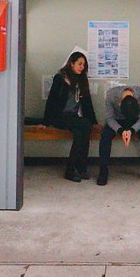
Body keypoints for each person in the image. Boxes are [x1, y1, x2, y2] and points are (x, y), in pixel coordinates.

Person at [43, 51, 97, 182]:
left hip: (72, 117)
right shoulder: (60, 78)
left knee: (82, 131)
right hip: (59, 116)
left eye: (84, 65)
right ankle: (75, 168)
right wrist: (46, 122)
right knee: (85, 125)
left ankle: (77, 168)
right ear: (71, 64)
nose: (82, 67)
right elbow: (51, 100)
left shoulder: (82, 80)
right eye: (79, 64)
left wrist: (94, 121)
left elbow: (87, 103)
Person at [97, 85, 140, 187]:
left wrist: (131, 130)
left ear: (137, 103)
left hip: (136, 120)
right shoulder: (111, 95)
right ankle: (103, 170)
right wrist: (121, 131)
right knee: (105, 136)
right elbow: (109, 118)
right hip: (117, 120)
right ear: (119, 104)